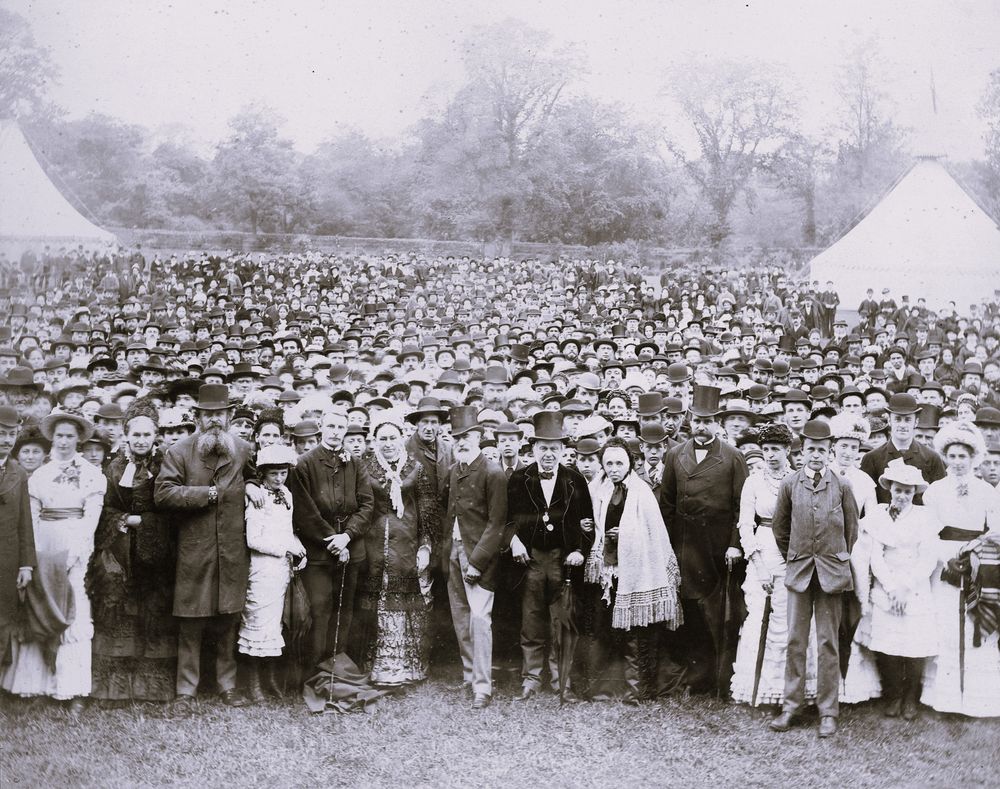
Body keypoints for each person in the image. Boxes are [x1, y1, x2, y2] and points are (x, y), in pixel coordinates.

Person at [155, 383, 259, 709]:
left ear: (229, 416)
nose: (214, 420)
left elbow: (258, 477)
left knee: (228, 620)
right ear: (197, 416)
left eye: (220, 414)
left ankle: (227, 686)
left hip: (231, 551)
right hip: (194, 552)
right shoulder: (179, 451)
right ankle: (186, 691)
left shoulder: (243, 449)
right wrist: (205, 495)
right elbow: (163, 493)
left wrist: (254, 484)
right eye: (208, 414)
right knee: (191, 622)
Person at [1, 411, 106, 713]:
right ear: (52, 439)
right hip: (43, 544)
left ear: (78, 440)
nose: (63, 441)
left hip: (74, 542)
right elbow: (30, 516)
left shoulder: (91, 475)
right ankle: (35, 685)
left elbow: (91, 518)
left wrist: (78, 551)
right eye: (58, 436)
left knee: (73, 610)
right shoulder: (39, 475)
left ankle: (73, 690)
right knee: (38, 607)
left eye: (69, 436)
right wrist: (31, 557)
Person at [770, 420, 859, 739]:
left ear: (830, 451)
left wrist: (833, 558)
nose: (816, 456)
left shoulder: (842, 485)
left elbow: (852, 531)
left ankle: (828, 711)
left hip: (831, 575)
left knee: (827, 642)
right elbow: (779, 529)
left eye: (822, 450)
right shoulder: (790, 484)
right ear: (802, 451)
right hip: (799, 572)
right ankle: (791, 706)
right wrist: (795, 555)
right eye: (811, 450)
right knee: (795, 640)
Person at [659, 384, 748, 694]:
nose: (702, 425)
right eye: (697, 419)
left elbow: (741, 506)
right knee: (687, 609)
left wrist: (735, 542)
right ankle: (689, 674)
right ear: (689, 419)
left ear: (717, 422)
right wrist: (666, 547)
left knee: (714, 611)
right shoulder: (674, 455)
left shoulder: (732, 456)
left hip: (716, 547)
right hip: (683, 544)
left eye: (708, 420)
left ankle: (713, 676)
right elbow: (666, 505)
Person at [87, 400, 177, 703]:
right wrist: (124, 520)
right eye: (135, 435)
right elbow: (107, 507)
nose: (140, 440)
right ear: (126, 435)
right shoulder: (114, 467)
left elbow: (172, 507)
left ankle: (151, 688)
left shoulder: (167, 466)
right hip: (122, 552)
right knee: (121, 616)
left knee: (153, 615)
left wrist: (146, 522)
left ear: (156, 436)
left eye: (146, 435)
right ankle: (116, 688)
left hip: (157, 552)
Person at [586, 438, 682, 703]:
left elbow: (652, 533)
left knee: (635, 630)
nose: (614, 468)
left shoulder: (641, 492)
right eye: (609, 463)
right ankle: (605, 688)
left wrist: (624, 535)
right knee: (605, 628)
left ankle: (636, 689)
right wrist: (595, 531)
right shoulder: (598, 488)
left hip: (636, 567)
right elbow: (593, 521)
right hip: (607, 569)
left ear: (630, 463)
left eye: (619, 463)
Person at [507, 410, 594, 700]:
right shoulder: (519, 479)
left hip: (562, 561)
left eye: (554, 449)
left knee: (561, 621)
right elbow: (506, 520)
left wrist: (579, 550)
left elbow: (588, 523)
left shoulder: (574, 480)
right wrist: (514, 541)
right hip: (530, 559)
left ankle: (562, 681)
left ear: (562, 450)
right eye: (543, 448)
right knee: (531, 620)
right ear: (532, 449)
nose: (548, 454)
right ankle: (531, 679)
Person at [730, 423, 814, 707]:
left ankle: (787, 694)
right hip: (762, 550)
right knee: (758, 617)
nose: (770, 455)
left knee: (787, 620)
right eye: (766, 450)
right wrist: (758, 563)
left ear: (788, 450)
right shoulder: (752, 481)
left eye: (776, 450)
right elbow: (745, 524)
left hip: (792, 551)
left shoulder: (799, 479)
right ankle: (756, 690)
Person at [920, 423, 1000, 717]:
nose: (956, 462)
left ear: (973, 458)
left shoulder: (987, 492)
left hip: (977, 562)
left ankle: (977, 700)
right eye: (951, 456)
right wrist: (947, 560)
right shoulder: (935, 491)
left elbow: (994, 530)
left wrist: (975, 553)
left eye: (962, 456)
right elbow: (928, 533)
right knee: (946, 627)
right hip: (945, 565)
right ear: (945, 457)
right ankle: (946, 699)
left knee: (974, 625)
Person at [850, 460, 939, 720]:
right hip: (886, 583)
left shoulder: (924, 518)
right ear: (890, 489)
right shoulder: (877, 516)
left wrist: (905, 588)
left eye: (908, 491)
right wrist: (890, 587)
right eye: (898, 490)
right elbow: (874, 556)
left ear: (914, 493)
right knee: (887, 644)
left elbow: (928, 558)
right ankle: (893, 695)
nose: (902, 495)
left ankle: (911, 697)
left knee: (914, 644)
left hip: (914, 587)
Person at [288, 409, 374, 671]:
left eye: (341, 428)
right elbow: (304, 512)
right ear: (321, 428)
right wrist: (332, 541)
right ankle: (314, 673)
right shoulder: (304, 463)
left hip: (351, 547)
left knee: (344, 611)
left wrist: (347, 537)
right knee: (320, 609)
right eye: (331, 426)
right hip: (318, 553)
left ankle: (339, 671)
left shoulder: (356, 463)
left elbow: (367, 505)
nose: (336, 432)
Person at [357, 414, 437, 686]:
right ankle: (379, 669)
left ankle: (408, 669)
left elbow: (427, 511)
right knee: (378, 607)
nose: (388, 443)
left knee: (407, 607)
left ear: (401, 439)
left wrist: (425, 546)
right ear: (375, 442)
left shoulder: (416, 468)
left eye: (392, 438)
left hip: (407, 547)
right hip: (374, 548)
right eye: (383, 439)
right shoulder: (364, 468)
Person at [440, 405, 508, 709]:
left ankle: (483, 687)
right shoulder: (455, 470)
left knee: (480, 620)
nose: (462, 441)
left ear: (480, 436)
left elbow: (497, 525)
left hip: (479, 557)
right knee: (461, 618)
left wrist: (477, 562)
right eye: (457, 437)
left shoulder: (493, 472)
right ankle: (469, 676)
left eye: (467, 435)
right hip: (453, 552)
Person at [239, 444, 306, 703]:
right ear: (263, 474)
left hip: (281, 570)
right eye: (274, 474)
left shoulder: (286, 494)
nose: (279, 479)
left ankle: (270, 679)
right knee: (258, 623)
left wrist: (299, 550)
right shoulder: (257, 497)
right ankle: (253, 683)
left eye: (283, 473)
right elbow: (254, 539)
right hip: (261, 569)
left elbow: (287, 530)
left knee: (275, 625)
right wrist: (284, 549)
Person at [0, 406, 35, 690]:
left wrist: (26, 564)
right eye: (1, 433)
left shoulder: (19, 473)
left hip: (7, 561)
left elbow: (25, 522)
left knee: (2, 623)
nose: (5, 440)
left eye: (10, 434)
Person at [860, 393, 946, 505]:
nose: (902, 425)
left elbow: (940, 498)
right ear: (889, 421)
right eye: (897, 419)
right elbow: (866, 500)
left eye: (908, 420)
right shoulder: (872, 458)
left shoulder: (932, 458)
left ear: (916, 422)